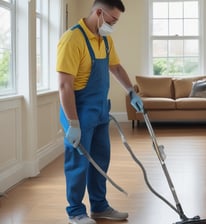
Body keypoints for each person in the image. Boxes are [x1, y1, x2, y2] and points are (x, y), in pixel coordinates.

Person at [56, 0, 143, 223]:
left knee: (100, 161)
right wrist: (73, 123)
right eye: (112, 19)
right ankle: (75, 212)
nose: (113, 25)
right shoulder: (72, 39)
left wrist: (131, 92)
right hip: (78, 112)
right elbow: (65, 85)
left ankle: (100, 206)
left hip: (100, 111)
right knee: (78, 164)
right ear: (99, 12)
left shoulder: (105, 39)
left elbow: (115, 67)